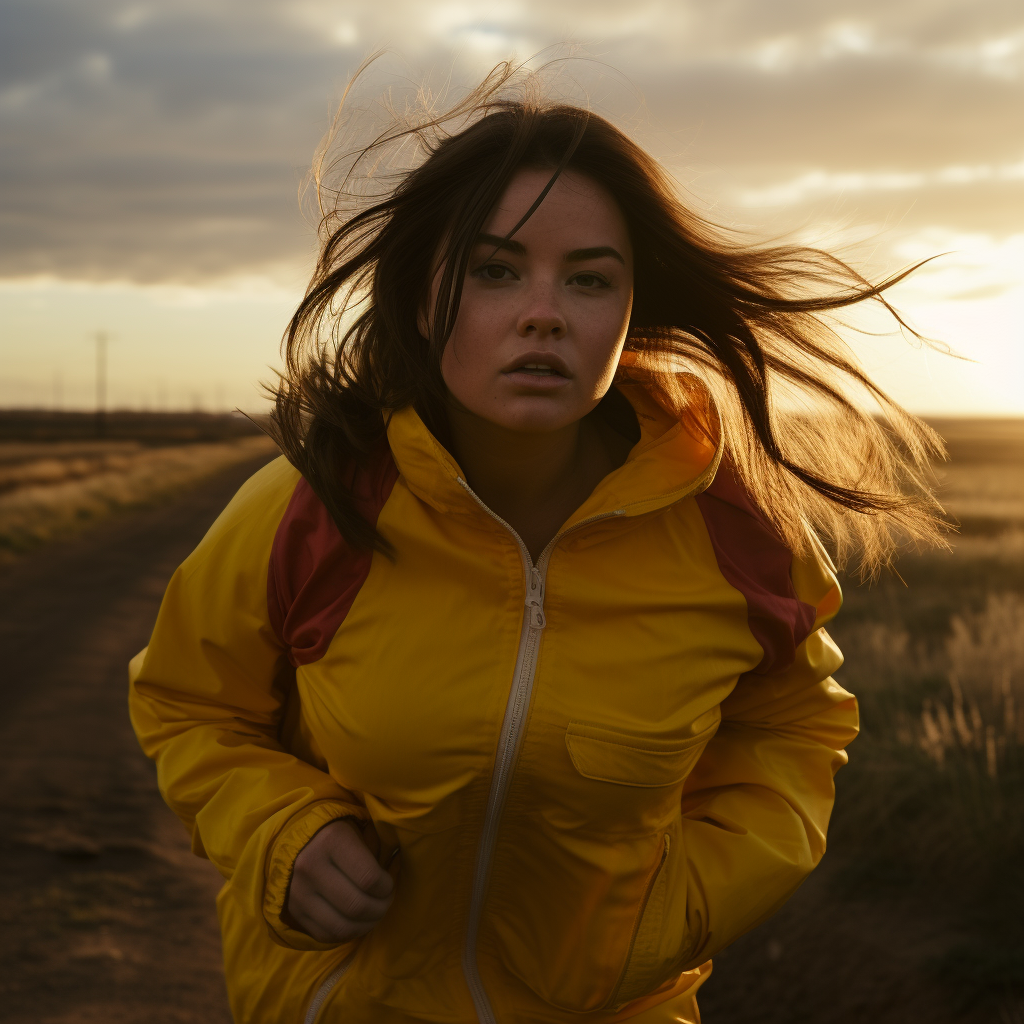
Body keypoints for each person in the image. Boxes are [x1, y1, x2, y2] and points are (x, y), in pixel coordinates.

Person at [128, 61, 944, 1024]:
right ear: (425, 294)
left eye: (590, 278)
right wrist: (278, 832)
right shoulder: (310, 511)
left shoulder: (740, 532)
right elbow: (188, 705)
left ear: (632, 310)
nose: (544, 310)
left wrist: (679, 911)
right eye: (495, 270)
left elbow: (798, 726)